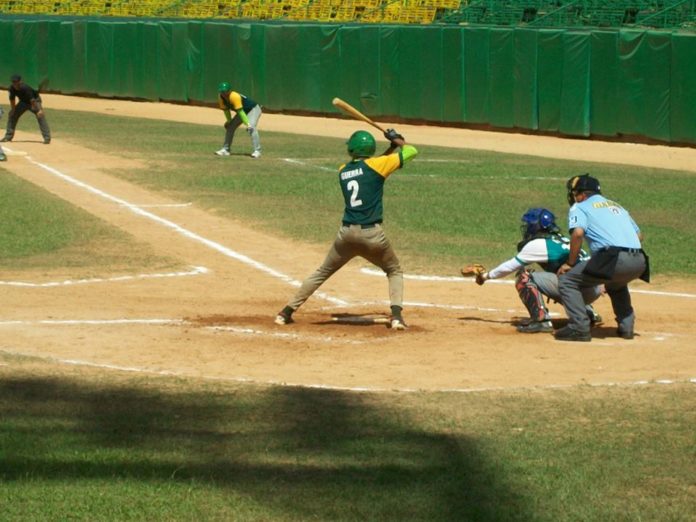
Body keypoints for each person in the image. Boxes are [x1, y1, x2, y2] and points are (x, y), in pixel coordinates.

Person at [274, 128, 418, 330]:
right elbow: (412, 151)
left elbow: (371, 167)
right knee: (394, 271)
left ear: (352, 150)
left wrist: (391, 148)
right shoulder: (378, 165)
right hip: (373, 236)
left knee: (322, 272)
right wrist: (399, 141)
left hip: (347, 236)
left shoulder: (343, 170)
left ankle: (285, 312)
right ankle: (396, 318)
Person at [472, 208, 603, 333]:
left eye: (529, 225)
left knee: (525, 277)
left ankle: (541, 321)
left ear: (536, 226)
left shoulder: (539, 244)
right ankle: (587, 313)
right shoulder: (562, 240)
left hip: (579, 290)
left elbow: (510, 266)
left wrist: (486, 276)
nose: (527, 228)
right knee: (561, 275)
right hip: (594, 288)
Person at [555, 174, 649, 342]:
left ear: (582, 195)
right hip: (640, 261)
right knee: (616, 285)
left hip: (614, 259)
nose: (574, 197)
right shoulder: (617, 206)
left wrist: (570, 263)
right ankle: (627, 328)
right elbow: (639, 236)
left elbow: (577, 234)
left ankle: (579, 327)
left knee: (567, 281)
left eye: (575, 193)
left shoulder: (580, 206)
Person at [215, 82, 261, 158]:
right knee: (230, 127)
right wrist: (229, 121)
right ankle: (225, 150)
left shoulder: (234, 96)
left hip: (253, 109)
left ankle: (257, 151)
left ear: (229, 91)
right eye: (222, 91)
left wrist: (248, 124)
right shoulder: (221, 98)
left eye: (225, 91)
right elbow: (226, 111)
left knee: (251, 127)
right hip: (243, 111)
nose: (224, 93)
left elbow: (240, 112)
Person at [1, 74, 51, 144]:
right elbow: (12, 99)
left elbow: (32, 100)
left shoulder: (25, 88)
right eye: (13, 82)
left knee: (40, 116)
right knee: (12, 115)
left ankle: (47, 138)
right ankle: (8, 136)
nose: (15, 84)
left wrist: (38, 110)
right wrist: (13, 109)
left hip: (34, 101)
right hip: (23, 102)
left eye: (16, 82)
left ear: (20, 81)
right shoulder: (11, 88)